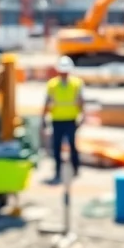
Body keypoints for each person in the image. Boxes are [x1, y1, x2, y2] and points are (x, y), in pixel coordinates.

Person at [42, 55, 84, 183]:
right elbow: (47, 102)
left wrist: (82, 116)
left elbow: (81, 101)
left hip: (71, 119)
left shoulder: (76, 83)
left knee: (72, 145)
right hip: (57, 120)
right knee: (56, 147)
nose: (64, 74)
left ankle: (76, 169)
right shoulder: (52, 85)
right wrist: (43, 118)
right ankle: (58, 171)